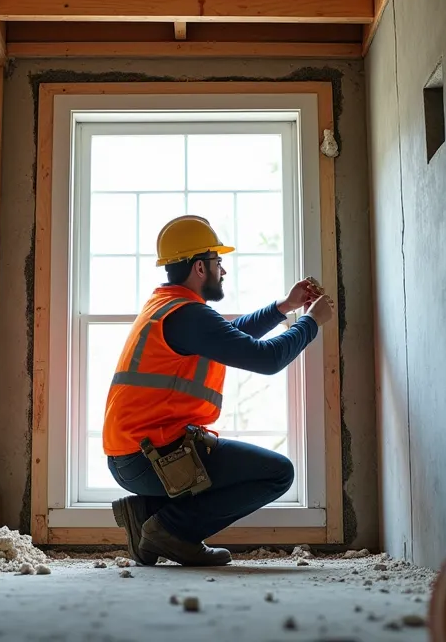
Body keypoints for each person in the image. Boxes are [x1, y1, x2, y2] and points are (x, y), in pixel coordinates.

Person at [103, 215, 335, 567]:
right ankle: (171, 528)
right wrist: (310, 322)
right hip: (151, 459)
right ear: (200, 267)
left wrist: (284, 308)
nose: (222, 271)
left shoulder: (169, 306)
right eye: (218, 262)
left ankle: (148, 513)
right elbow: (268, 358)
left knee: (247, 466)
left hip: (136, 457)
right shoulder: (188, 315)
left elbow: (232, 334)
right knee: (277, 474)